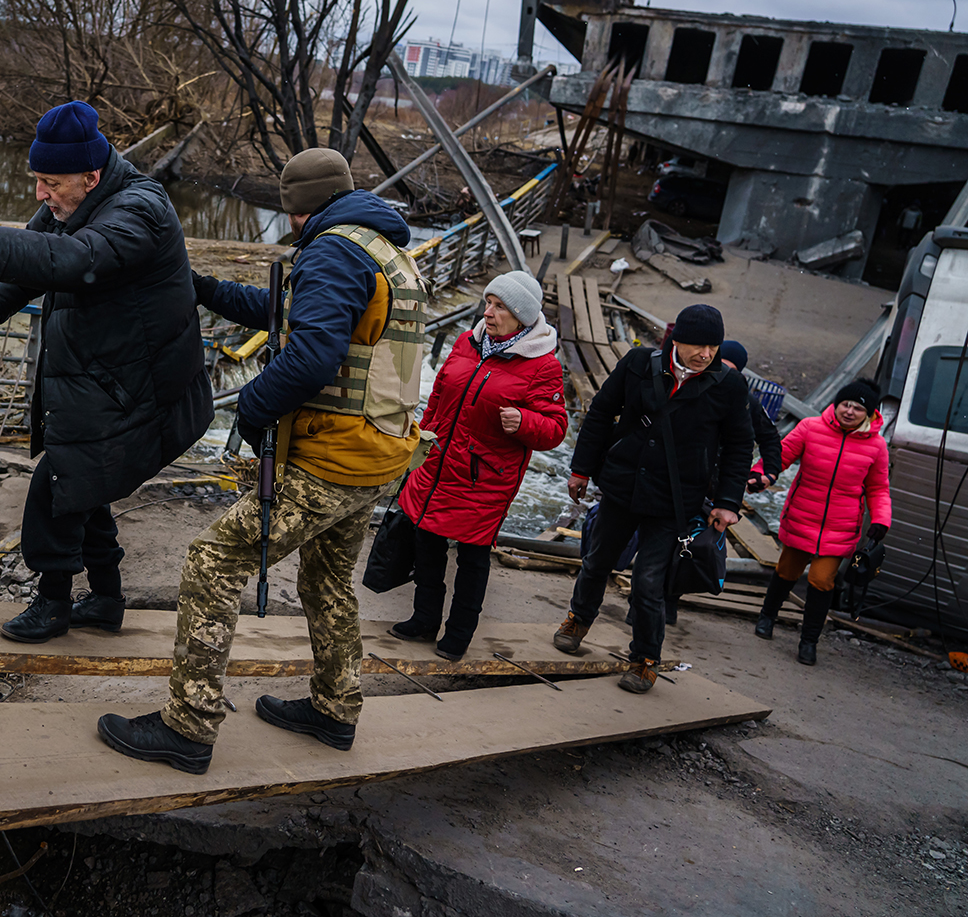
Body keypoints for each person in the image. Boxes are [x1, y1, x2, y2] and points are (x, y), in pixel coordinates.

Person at [93, 147, 429, 773]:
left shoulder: (332, 251)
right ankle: (335, 710)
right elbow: (290, 314)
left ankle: (188, 727)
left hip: (330, 456)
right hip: (377, 452)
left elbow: (311, 357)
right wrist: (200, 288)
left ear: (300, 209)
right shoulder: (383, 250)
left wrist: (250, 409)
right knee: (326, 581)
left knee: (212, 560)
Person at [0, 101, 212, 643]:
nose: (42, 194)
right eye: (37, 181)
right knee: (88, 483)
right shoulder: (75, 201)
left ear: (90, 176)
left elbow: (76, 259)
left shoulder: (140, 209)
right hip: (103, 376)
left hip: (141, 385)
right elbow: (35, 253)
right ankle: (107, 600)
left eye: (51, 183)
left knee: (59, 483)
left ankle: (53, 604)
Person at [553, 304, 754, 693]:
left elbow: (739, 447)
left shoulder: (727, 385)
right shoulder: (639, 363)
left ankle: (645, 658)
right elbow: (600, 413)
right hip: (623, 484)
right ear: (676, 339)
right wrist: (581, 468)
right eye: (699, 345)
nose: (707, 354)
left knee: (649, 582)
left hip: (676, 500)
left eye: (713, 346)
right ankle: (578, 619)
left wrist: (727, 503)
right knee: (596, 561)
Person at [391, 271, 566, 657]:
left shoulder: (543, 365)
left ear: (521, 316)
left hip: (485, 478)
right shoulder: (468, 342)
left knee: (472, 556)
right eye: (487, 303)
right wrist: (420, 439)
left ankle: (459, 634)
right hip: (437, 463)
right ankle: (424, 620)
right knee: (427, 542)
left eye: (499, 306)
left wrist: (525, 422)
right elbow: (439, 394)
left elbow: (555, 429)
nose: (488, 312)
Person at [753, 379, 891, 665]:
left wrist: (881, 519)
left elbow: (878, 488)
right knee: (787, 571)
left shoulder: (876, 446)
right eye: (845, 404)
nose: (849, 411)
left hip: (840, 527)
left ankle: (809, 641)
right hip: (802, 515)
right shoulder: (810, 428)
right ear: (836, 404)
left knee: (820, 580)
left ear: (869, 414)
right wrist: (760, 474)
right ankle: (767, 617)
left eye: (857, 408)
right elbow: (780, 456)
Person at [718, 340, 783, 493]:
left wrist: (770, 472)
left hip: (722, 480)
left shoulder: (746, 402)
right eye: (720, 367)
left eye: (730, 370)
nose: (722, 374)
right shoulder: (691, 388)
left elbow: (770, 438)